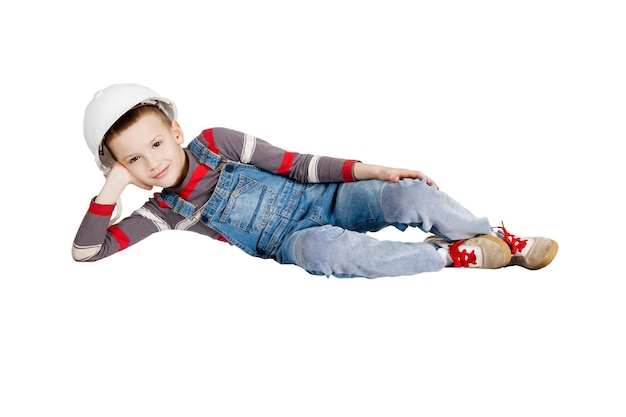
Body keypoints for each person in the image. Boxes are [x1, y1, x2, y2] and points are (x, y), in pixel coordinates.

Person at [73, 83, 558, 278]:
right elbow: (88, 252)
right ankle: (451, 255)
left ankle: (497, 240)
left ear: (175, 131)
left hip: (329, 198)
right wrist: (110, 189)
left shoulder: (219, 143)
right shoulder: (164, 213)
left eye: (156, 144)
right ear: (123, 170)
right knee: (328, 256)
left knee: (410, 192)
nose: (152, 163)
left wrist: (376, 170)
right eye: (133, 161)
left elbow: (297, 164)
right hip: (296, 239)